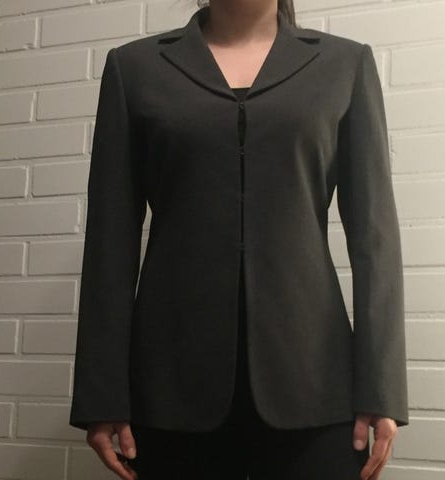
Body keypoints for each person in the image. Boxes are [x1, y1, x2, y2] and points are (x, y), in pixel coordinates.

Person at [69, 0, 409, 479]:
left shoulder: (344, 65)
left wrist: (382, 388)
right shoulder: (134, 69)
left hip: (314, 380)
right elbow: (109, 243)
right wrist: (101, 394)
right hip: (171, 384)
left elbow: (376, 239)